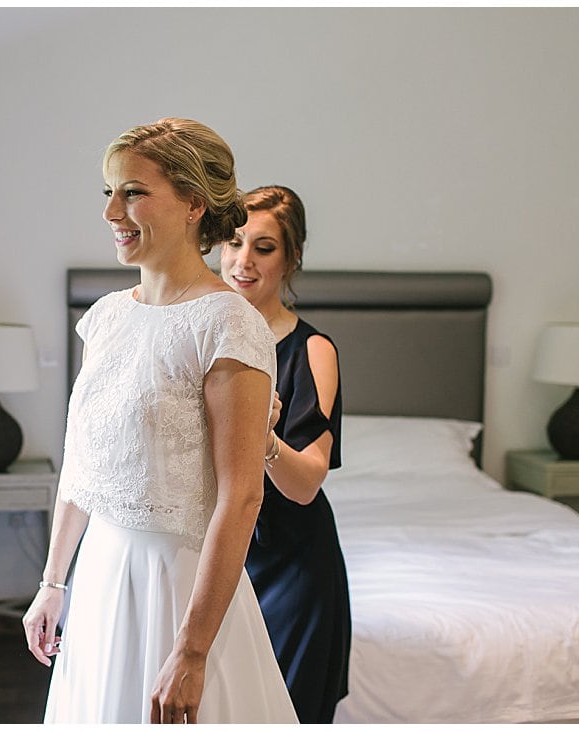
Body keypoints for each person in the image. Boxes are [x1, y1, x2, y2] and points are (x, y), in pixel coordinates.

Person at [22, 119, 298, 725]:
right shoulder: (104, 318)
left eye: (134, 192)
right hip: (100, 578)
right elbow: (85, 462)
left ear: (195, 203)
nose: (112, 212)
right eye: (108, 193)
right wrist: (53, 581)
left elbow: (243, 495)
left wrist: (193, 651)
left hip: (177, 587)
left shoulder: (228, 324)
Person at [220, 185, 352, 723]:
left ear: (291, 258)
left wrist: (266, 439)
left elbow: (305, 485)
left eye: (264, 247)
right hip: (216, 562)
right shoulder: (200, 338)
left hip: (293, 567)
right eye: (233, 242)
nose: (243, 261)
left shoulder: (312, 352)